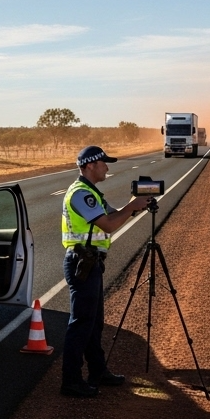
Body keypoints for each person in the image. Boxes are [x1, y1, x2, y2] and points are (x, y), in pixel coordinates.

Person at [60, 145, 152, 398]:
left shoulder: (92, 192)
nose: (107, 168)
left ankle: (98, 371)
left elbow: (113, 215)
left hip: (91, 263)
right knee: (81, 323)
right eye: (104, 163)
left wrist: (135, 206)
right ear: (90, 165)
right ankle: (71, 380)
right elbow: (108, 224)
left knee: (93, 323)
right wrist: (131, 207)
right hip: (82, 262)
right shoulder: (81, 194)